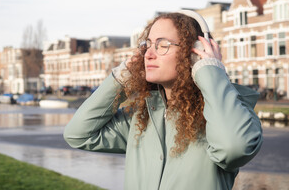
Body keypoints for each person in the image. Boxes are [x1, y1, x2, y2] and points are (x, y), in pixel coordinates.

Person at [64, 11, 263, 190]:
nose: (148, 54)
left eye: (162, 45)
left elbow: (233, 149)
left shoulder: (230, 113)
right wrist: (121, 78)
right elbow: (77, 134)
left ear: (194, 52)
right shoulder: (141, 118)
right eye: (147, 45)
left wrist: (211, 72)